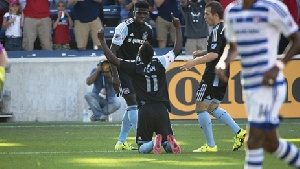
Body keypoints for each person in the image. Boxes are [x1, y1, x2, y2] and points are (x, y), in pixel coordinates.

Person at [216, 0, 300, 168]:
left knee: (253, 140)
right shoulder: (232, 11)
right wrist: (223, 62)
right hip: (249, 86)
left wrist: (278, 66)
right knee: (271, 144)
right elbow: (233, 46)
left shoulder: (273, 7)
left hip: (269, 85)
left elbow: (297, 39)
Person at [98, 12, 182, 154]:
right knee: (167, 142)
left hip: (145, 110)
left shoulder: (135, 66)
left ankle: (153, 143)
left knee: (142, 148)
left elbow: (113, 58)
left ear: (139, 55)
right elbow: (177, 49)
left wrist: (101, 40)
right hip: (162, 108)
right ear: (152, 53)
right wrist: (178, 28)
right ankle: (168, 142)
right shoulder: (161, 62)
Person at [180, 1, 246, 152]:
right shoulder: (225, 28)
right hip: (223, 71)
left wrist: (193, 63)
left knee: (200, 108)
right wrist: (204, 52)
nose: (204, 17)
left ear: (216, 15)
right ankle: (239, 132)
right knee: (212, 107)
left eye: (207, 14)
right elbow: (221, 49)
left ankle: (211, 146)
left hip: (213, 73)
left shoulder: (217, 30)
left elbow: (215, 54)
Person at [110, 1, 153, 150]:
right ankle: (143, 140)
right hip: (122, 69)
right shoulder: (124, 27)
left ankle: (121, 142)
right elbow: (112, 51)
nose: (141, 15)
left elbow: (146, 54)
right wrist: (114, 76)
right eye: (139, 12)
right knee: (134, 104)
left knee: (133, 106)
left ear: (148, 13)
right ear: (133, 12)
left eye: (144, 13)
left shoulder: (148, 30)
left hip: (137, 71)